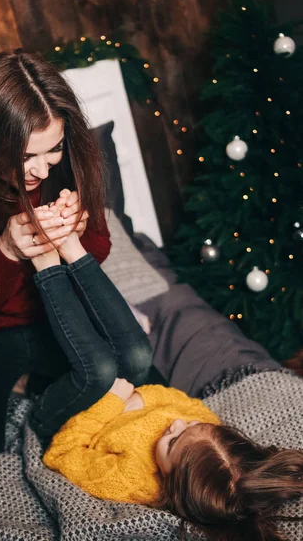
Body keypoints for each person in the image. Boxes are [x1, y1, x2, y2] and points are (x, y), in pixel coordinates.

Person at [0, 49, 152, 491]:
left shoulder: (68, 156)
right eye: (25, 157)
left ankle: (40, 386)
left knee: (147, 380)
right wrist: (5, 250)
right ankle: (33, 385)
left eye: (53, 149)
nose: (42, 169)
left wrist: (74, 232)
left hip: (51, 311)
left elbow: (99, 246)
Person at [37, 232, 303, 541]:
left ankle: (48, 270)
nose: (175, 423)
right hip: (126, 392)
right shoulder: (208, 442)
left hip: (68, 417)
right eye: (191, 424)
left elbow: (61, 454)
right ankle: (77, 257)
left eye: (173, 441)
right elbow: (183, 403)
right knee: (138, 351)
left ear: (173, 482)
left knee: (101, 367)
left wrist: (113, 402)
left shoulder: (130, 480)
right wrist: (137, 397)